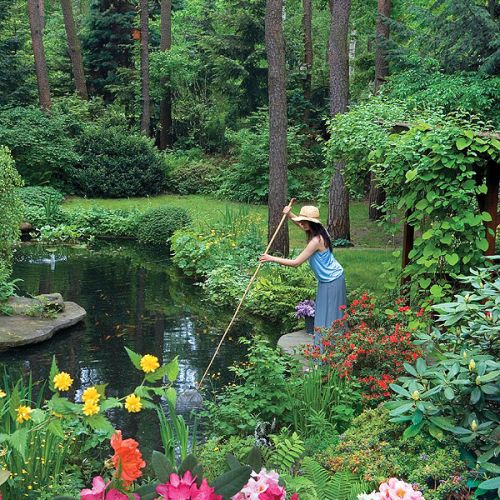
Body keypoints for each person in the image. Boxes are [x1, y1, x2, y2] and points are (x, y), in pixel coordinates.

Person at [259, 205, 347, 347]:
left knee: (329, 316)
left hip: (332, 280)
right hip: (330, 279)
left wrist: (271, 258)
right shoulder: (321, 232)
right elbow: (301, 225)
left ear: (311, 223)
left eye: (304, 221)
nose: (301, 223)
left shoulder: (315, 242)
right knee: (325, 315)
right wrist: (289, 214)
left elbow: (296, 263)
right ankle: (327, 350)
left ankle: (328, 352)